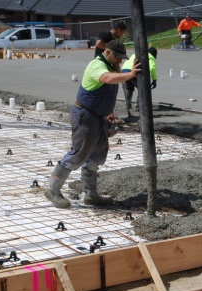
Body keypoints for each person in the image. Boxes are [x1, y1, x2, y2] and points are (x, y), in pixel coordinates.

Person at [44, 40, 141, 209]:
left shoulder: (112, 66)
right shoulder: (97, 65)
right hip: (85, 114)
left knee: (97, 155)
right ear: (108, 53)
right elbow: (107, 79)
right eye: (118, 58)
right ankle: (52, 190)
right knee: (79, 154)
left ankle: (91, 195)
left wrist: (109, 112)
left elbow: (108, 90)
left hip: (99, 116)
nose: (120, 61)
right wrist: (130, 74)